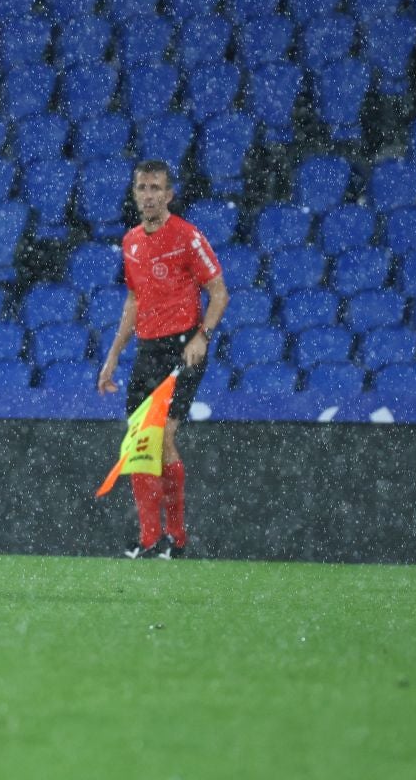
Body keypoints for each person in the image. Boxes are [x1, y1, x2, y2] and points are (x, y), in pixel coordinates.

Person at [96, 161, 230, 559]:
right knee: (142, 440)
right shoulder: (131, 242)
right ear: (135, 193)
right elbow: (134, 300)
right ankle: (156, 539)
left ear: (169, 195)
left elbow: (219, 293)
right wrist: (113, 355)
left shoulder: (188, 237)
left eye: (156, 188)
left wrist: (201, 337)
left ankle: (170, 536)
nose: (149, 194)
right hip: (148, 350)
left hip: (182, 349)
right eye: (142, 187)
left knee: (163, 437)